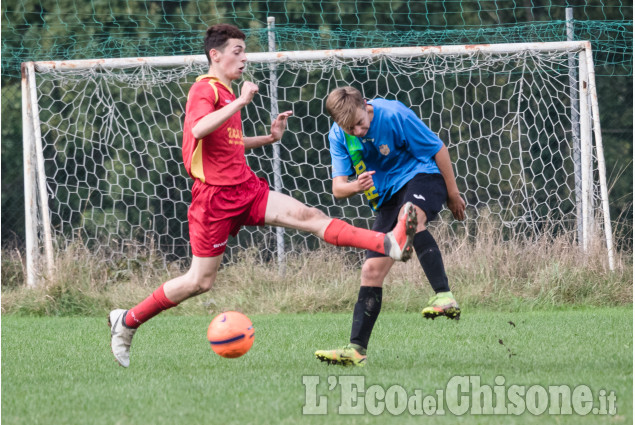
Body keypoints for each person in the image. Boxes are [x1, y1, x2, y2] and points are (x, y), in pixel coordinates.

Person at [108, 25, 418, 368]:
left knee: (310, 217)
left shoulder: (226, 91)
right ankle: (127, 321)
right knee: (200, 281)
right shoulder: (205, 90)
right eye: (237, 51)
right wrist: (241, 100)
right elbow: (198, 129)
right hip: (213, 201)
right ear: (216, 55)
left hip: (246, 188)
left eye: (245, 51)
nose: (244, 58)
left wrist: (268, 139)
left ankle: (388, 242)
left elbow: (228, 142)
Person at [315, 86, 466, 367]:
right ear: (338, 124)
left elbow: (438, 149)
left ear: (365, 105)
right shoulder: (338, 136)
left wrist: (453, 194)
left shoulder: (394, 114)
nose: (358, 131)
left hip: (422, 176)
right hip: (387, 196)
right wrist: (356, 186)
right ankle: (356, 350)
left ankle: (444, 296)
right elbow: (338, 189)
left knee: (409, 217)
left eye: (361, 123)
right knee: (370, 270)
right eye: (350, 128)